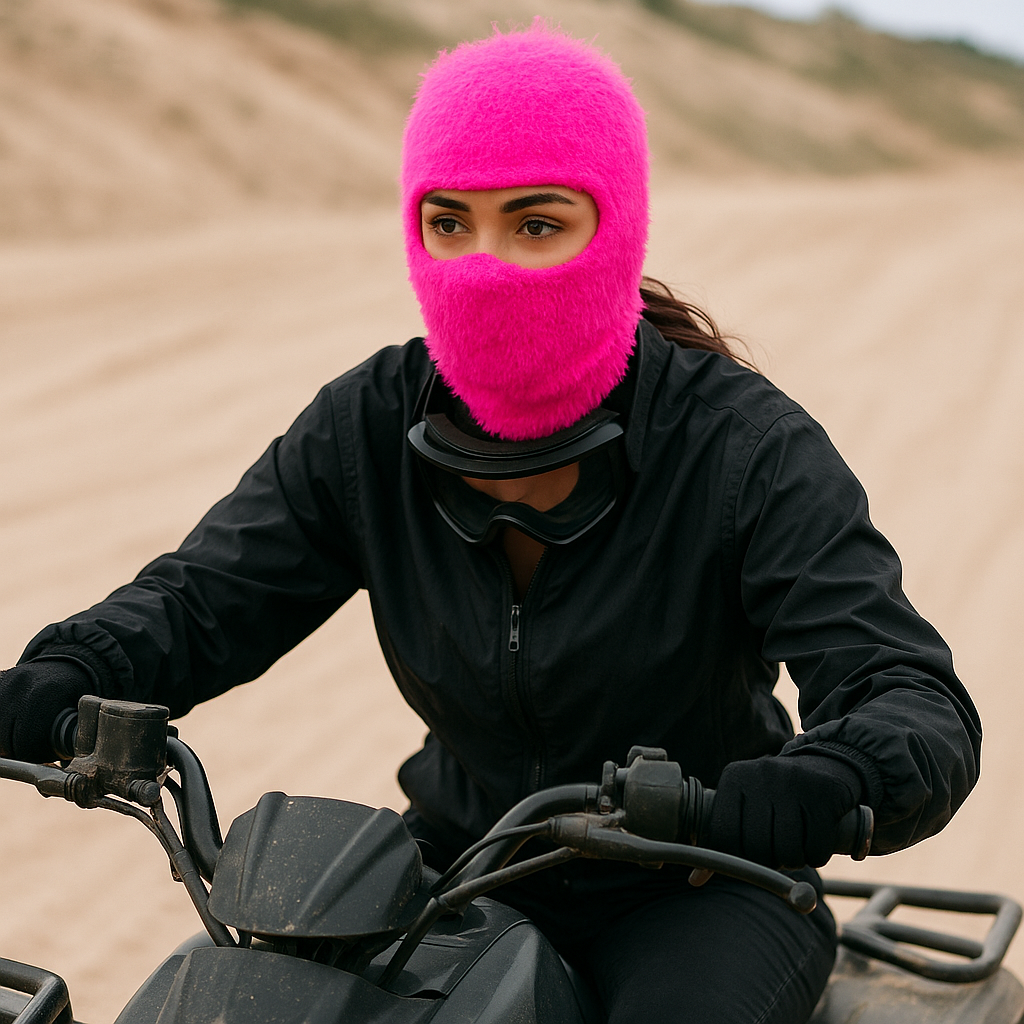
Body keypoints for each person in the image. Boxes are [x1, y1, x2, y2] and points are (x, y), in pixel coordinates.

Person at [0, 23, 980, 1024]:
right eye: (448, 222)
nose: (483, 266)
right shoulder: (370, 425)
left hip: (701, 878)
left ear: (617, 230)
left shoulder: (738, 445)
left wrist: (822, 776)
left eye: (537, 224)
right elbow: (202, 600)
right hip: (464, 863)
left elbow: (909, 695)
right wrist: (67, 670)